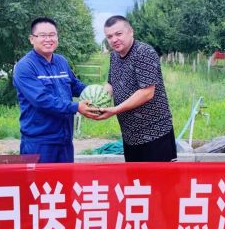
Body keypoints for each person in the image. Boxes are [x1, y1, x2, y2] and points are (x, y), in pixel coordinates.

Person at [13, 17, 98, 163]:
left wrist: (96, 92)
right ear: (32, 39)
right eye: (43, 35)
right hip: (39, 143)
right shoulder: (25, 66)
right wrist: (76, 107)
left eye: (52, 35)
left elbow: (75, 86)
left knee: (65, 178)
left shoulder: (61, 61)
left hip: (65, 140)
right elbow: (41, 100)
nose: (48, 39)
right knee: (40, 179)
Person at [96, 15, 177, 162]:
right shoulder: (114, 56)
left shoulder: (143, 52)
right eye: (109, 36)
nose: (114, 39)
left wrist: (115, 110)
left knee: (159, 177)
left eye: (118, 34)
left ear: (130, 31)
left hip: (155, 134)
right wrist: (97, 100)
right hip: (130, 136)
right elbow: (110, 84)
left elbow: (147, 92)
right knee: (135, 177)